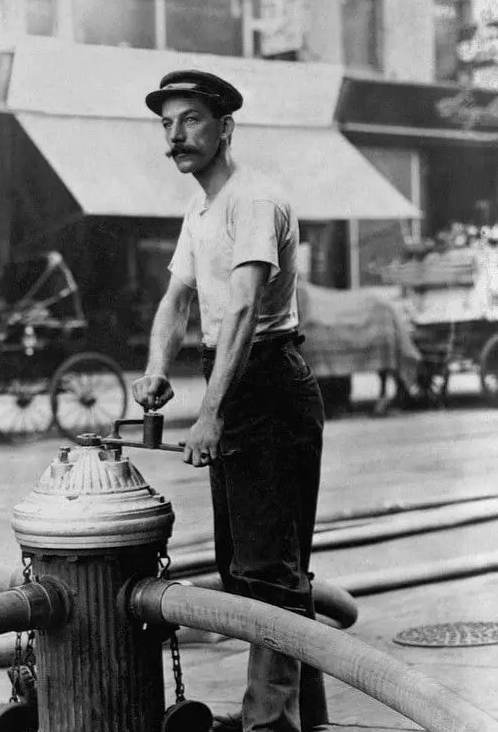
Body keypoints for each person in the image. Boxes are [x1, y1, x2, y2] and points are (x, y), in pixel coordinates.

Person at [133, 71, 327, 731]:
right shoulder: (200, 211)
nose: (176, 135)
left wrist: (210, 412)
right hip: (235, 375)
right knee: (245, 567)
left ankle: (271, 722)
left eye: (189, 120)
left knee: (270, 568)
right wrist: (159, 368)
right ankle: (292, 710)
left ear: (224, 127)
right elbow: (177, 298)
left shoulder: (254, 200)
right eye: (166, 123)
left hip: (269, 381)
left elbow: (244, 309)